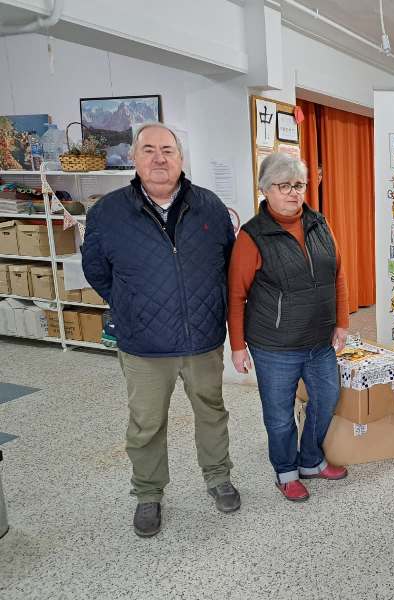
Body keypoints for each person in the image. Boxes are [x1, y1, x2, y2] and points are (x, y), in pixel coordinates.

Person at [82, 123, 239, 538]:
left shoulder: (209, 206)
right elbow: (96, 270)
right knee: (146, 422)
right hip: (144, 344)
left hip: (202, 339)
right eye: (149, 150)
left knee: (212, 411)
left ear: (181, 158)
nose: (159, 158)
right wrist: (132, 304)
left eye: (167, 150)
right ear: (134, 159)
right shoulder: (108, 213)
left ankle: (218, 477)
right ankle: (149, 494)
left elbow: (227, 263)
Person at [227, 153, 349, 503]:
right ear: (266, 190)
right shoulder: (252, 236)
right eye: (284, 186)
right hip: (274, 345)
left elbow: (337, 275)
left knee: (326, 399)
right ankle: (286, 471)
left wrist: (341, 322)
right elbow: (236, 295)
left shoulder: (319, 223)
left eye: (298, 185)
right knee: (280, 416)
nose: (293, 193)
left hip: (319, 339)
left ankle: (310, 460)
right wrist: (238, 346)